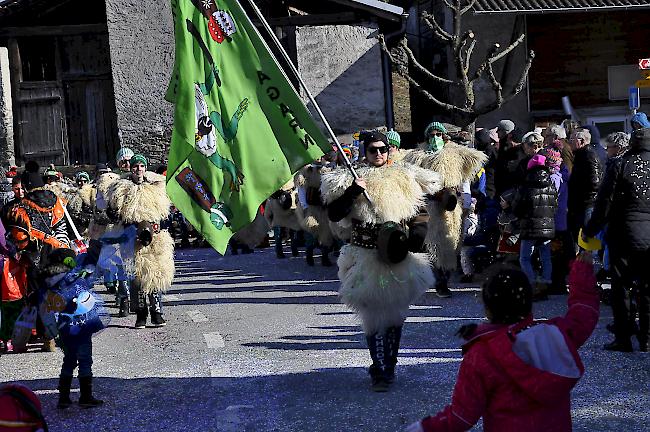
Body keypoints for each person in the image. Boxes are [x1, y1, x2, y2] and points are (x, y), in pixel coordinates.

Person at [405, 253, 599, 432]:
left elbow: (461, 417)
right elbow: (583, 314)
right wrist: (582, 271)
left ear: (488, 308)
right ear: (529, 301)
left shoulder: (482, 354)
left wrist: (422, 428)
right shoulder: (555, 336)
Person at [322, 130, 442, 391]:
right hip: (365, 256)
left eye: (382, 149)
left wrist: (416, 238)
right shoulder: (348, 178)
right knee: (373, 316)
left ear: (389, 151)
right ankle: (378, 369)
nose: (378, 154)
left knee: (396, 315)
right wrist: (353, 192)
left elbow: (419, 213)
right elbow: (333, 214)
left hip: (398, 255)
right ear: (364, 152)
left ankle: (390, 365)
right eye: (372, 150)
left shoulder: (404, 176)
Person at [584, 127, 650, 352]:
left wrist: (591, 230)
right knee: (647, 288)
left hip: (623, 233)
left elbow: (605, 201)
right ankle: (647, 337)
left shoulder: (620, 164)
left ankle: (623, 337)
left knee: (621, 286)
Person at [402, 122, 487, 298]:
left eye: (438, 134)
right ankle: (439, 281)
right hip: (430, 206)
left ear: (444, 136)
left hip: (452, 208)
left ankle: (444, 278)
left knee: (451, 245)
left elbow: (464, 183)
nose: (435, 138)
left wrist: (466, 206)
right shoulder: (419, 158)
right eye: (432, 134)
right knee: (432, 246)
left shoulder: (454, 157)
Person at [105, 154, 174, 329]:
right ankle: (141, 314)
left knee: (155, 273)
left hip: (155, 239)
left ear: (145, 168)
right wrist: (118, 216)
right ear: (131, 168)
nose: (138, 169)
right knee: (137, 277)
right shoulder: (121, 189)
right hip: (131, 238)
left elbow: (165, 213)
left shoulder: (156, 189)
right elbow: (112, 212)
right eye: (135, 166)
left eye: (141, 166)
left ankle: (157, 312)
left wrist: (159, 225)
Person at [512, 155, 558, 300]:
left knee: (525, 258)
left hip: (529, 227)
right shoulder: (550, 184)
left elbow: (517, 208)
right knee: (545, 258)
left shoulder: (525, 186)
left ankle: (531, 285)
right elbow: (554, 207)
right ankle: (545, 284)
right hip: (547, 227)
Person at [567, 128, 602, 249]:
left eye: (571, 140)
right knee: (581, 242)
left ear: (581, 141)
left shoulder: (589, 155)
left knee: (588, 243)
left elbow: (595, 182)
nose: (569, 142)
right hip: (580, 205)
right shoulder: (580, 155)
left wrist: (580, 192)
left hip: (588, 205)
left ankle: (592, 267)